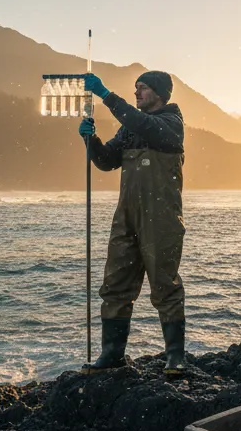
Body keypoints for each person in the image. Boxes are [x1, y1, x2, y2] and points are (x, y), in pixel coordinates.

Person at [78, 70, 189, 376]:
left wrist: (106, 95)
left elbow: (145, 125)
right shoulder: (130, 130)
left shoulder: (170, 124)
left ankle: (175, 357)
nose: (137, 93)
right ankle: (112, 354)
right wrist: (91, 140)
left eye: (143, 88)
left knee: (165, 286)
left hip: (162, 218)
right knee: (115, 285)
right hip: (126, 217)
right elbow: (105, 161)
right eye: (136, 88)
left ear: (159, 93)